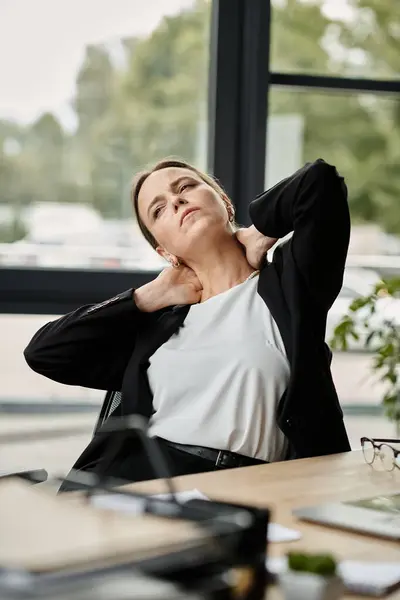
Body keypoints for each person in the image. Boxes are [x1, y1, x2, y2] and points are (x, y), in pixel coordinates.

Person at [24, 157, 351, 489]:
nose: (177, 201)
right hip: (140, 481)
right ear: (163, 250)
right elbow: (44, 352)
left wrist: (262, 230)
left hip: (251, 486)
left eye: (186, 187)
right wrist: (146, 297)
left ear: (223, 201)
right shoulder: (157, 324)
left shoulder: (290, 285)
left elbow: (320, 182)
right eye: (159, 210)